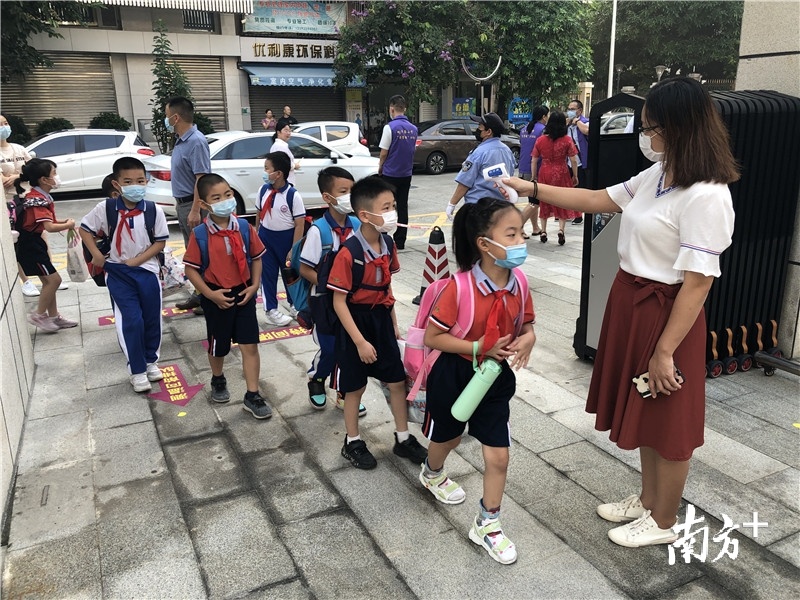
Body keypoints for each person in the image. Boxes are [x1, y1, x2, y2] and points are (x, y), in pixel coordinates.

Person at [503, 77, 739, 548]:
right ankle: (650, 500)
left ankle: (664, 521)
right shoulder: (661, 174)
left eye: (651, 127)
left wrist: (666, 350)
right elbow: (598, 200)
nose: (645, 136)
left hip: (668, 313)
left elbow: (698, 283)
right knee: (646, 407)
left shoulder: (707, 195)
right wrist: (530, 187)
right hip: (633, 301)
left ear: (678, 128)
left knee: (669, 419)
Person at [419, 197, 536, 564]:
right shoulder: (458, 288)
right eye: (512, 234)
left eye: (522, 233)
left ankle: (487, 524)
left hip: (494, 377)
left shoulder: (519, 282)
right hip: (454, 374)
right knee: (448, 436)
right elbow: (432, 338)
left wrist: (529, 338)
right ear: (485, 244)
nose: (521, 241)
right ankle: (432, 472)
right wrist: (476, 346)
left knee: (498, 456)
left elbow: (528, 324)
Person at [327, 175, 427, 470]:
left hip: (381, 320)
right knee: (354, 388)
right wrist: (360, 341)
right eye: (386, 207)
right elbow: (338, 301)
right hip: (355, 325)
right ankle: (353, 442)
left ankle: (402, 437)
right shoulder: (349, 253)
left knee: (397, 382)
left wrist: (393, 322)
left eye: (393, 205)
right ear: (365, 215)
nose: (393, 212)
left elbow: (386, 288)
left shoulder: (387, 243)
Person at [182, 173, 272, 419]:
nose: (225, 201)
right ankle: (218, 378)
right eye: (217, 198)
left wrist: (255, 286)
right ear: (204, 204)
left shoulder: (244, 227)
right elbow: (190, 269)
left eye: (228, 194)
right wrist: (210, 294)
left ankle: (252, 394)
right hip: (216, 296)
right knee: (218, 345)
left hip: (244, 293)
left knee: (249, 344)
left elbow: (256, 257)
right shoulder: (200, 234)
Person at [80, 157, 169, 393]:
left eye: (140, 180)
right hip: (118, 272)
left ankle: (151, 361)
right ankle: (137, 370)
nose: (135, 185)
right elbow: (85, 229)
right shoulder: (106, 208)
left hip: (147, 271)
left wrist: (138, 260)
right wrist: (96, 257)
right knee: (131, 319)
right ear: (116, 183)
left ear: (147, 181)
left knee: (151, 318)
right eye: (128, 181)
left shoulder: (153, 210)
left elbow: (159, 242)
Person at [299, 166, 367, 418]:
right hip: (325, 303)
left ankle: (343, 392)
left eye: (352, 190)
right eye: (343, 191)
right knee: (330, 348)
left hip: (353, 301)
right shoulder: (319, 230)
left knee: (349, 348)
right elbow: (305, 268)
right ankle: (317, 377)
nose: (350, 195)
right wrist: (334, 285)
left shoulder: (359, 224)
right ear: (328, 197)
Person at [13, 158, 77, 332]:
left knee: (49, 281)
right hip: (30, 245)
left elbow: (49, 221)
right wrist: (68, 225)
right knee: (54, 280)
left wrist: (64, 221)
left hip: (34, 242)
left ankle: (54, 317)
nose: (57, 177)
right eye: (54, 173)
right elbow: (49, 226)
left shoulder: (41, 195)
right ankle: (38, 315)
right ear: (44, 179)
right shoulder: (36, 199)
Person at [164, 96, 211, 312]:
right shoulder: (182, 139)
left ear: (175, 117)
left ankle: (207, 297)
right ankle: (199, 294)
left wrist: (195, 210)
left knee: (202, 254)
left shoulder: (196, 141)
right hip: (182, 204)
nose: (165, 120)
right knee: (192, 254)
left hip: (192, 206)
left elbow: (201, 178)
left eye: (167, 116)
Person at [256, 151, 305, 326]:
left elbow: (299, 224)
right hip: (265, 237)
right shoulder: (263, 190)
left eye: (266, 168)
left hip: (286, 239)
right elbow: (258, 213)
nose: (264, 171)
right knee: (267, 275)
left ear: (278, 174)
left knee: (289, 274)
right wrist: (256, 236)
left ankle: (295, 305)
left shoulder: (292, 195)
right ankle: (271, 309)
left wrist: (294, 248)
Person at [444, 112, 516, 219]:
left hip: (478, 208)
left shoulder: (479, 152)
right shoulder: (507, 150)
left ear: (488, 132)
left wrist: (452, 204)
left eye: (480, 128)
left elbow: (465, 182)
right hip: (501, 209)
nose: (477, 130)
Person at [1, 113, 41, 298]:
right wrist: (21, 174)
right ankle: (25, 281)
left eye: (5, 123)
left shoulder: (18, 148)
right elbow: (3, 182)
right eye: (0, 124)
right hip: (7, 203)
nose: (4, 127)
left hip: (27, 198)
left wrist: (17, 176)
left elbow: (33, 169)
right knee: (14, 242)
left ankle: (45, 274)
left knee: (40, 236)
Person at [532, 111, 580, 246]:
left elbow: (534, 160)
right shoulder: (567, 140)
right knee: (563, 200)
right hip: (562, 171)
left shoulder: (540, 140)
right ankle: (561, 230)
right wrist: (575, 175)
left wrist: (534, 176)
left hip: (545, 171)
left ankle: (544, 230)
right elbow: (573, 160)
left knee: (544, 200)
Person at [378, 95, 417, 250]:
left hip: (390, 174)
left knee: (386, 205)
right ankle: (400, 241)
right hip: (406, 174)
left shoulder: (390, 128)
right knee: (402, 206)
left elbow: (383, 153)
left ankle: (385, 238)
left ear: (391, 109)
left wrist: (380, 167)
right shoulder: (414, 129)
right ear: (405, 109)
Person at [518, 106, 548, 238]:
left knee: (533, 199)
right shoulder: (543, 130)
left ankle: (535, 227)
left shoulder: (524, 129)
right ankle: (518, 227)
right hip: (535, 169)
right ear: (543, 117)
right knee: (535, 202)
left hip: (523, 168)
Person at [567, 98, 590, 224]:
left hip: (582, 161)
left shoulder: (585, 122)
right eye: (568, 109)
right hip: (569, 162)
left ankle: (579, 214)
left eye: (572, 109)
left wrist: (577, 122)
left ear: (579, 111)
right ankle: (573, 213)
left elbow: (586, 131)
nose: (569, 111)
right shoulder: (568, 125)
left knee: (581, 188)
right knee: (571, 188)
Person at [271, 119, 300, 186]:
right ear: (278, 132)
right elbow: (282, 165)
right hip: (285, 182)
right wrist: (295, 165)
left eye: (289, 131)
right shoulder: (280, 146)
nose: (288, 133)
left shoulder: (278, 145)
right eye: (286, 130)